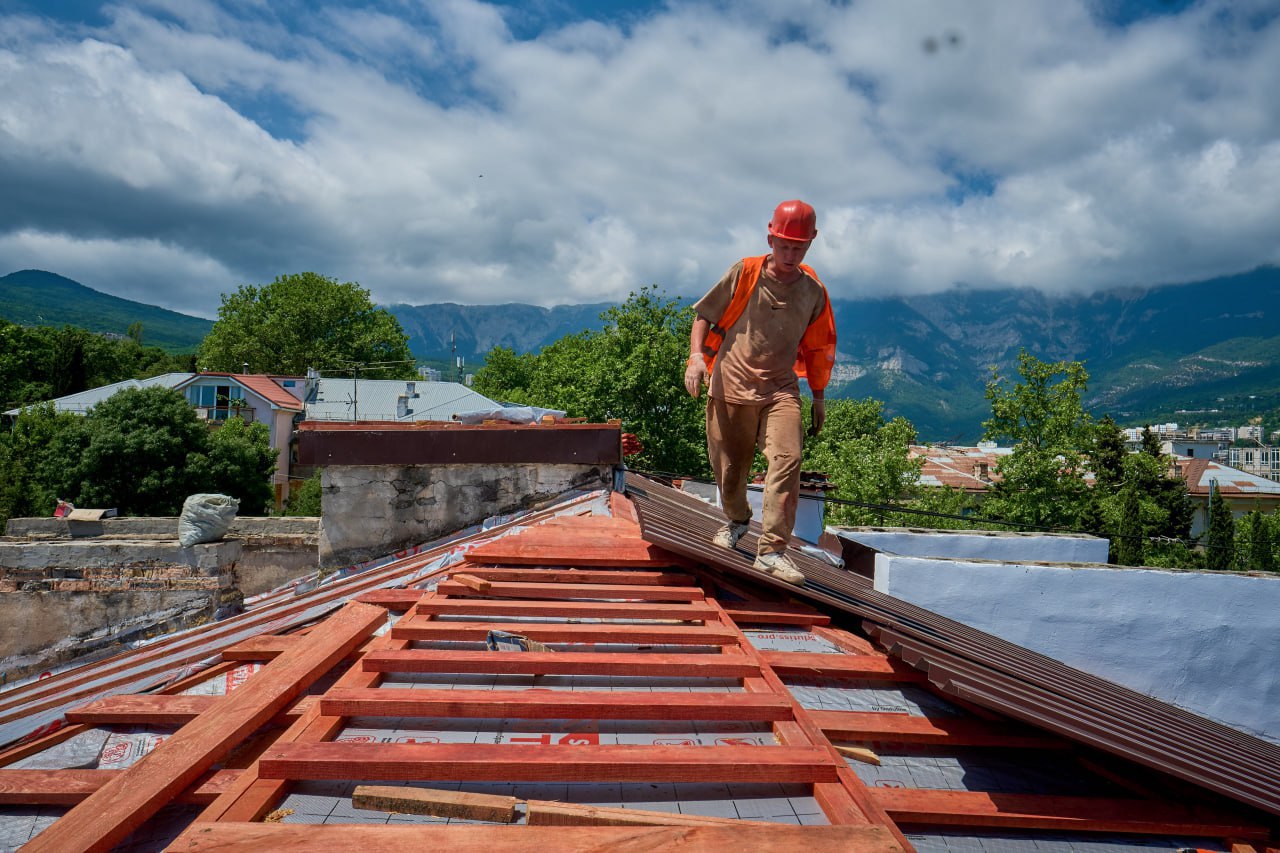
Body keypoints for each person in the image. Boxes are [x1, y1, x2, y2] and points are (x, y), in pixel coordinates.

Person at [683, 199, 836, 585]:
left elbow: (819, 346)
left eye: (798, 246)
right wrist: (695, 358)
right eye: (783, 244)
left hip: (780, 389)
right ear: (770, 237)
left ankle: (771, 552)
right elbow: (705, 315)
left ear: (811, 242)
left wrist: (817, 395)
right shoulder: (745, 272)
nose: (790, 253)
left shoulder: (813, 290)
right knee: (730, 474)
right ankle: (736, 521)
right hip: (730, 385)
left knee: (788, 458)